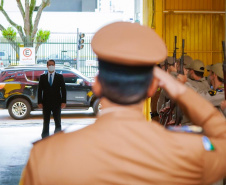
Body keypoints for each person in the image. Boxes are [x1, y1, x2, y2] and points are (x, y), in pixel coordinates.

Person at [20, 22, 226, 185]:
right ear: (152, 88)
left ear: (97, 86)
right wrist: (179, 89)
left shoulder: (47, 156)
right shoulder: (185, 151)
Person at [38, 59, 66, 138]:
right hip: (46, 103)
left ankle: (58, 136)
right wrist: (39, 102)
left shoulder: (59, 77)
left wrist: (63, 102)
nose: (51, 66)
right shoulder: (42, 77)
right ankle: (45, 136)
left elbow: (63, 90)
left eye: (52, 65)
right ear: (47, 66)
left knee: (57, 121)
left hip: (57, 103)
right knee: (46, 121)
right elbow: (40, 90)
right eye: (49, 65)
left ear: (54, 66)